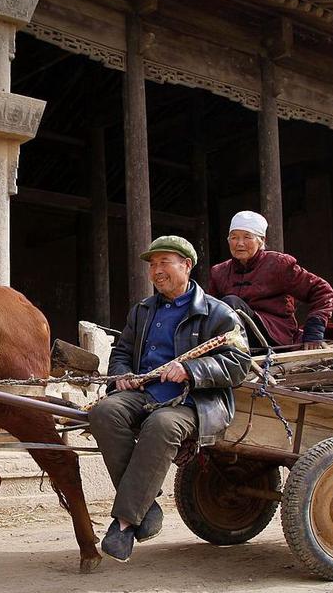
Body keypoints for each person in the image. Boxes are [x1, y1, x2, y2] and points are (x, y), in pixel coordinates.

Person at [87, 236, 252, 562]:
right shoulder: (143, 311)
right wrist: (122, 374)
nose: (156, 270)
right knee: (104, 412)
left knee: (161, 426)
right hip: (143, 392)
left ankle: (124, 524)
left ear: (186, 266)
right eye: (152, 264)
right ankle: (145, 507)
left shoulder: (218, 314)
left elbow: (238, 364)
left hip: (194, 402)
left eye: (164, 262)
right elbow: (121, 352)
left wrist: (191, 369)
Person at [208, 211, 333, 351]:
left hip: (275, 336)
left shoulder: (278, 264)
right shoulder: (219, 272)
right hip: (233, 339)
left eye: (247, 237)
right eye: (234, 237)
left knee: (232, 303)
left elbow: (322, 290)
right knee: (220, 307)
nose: (240, 243)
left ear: (261, 240)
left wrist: (314, 330)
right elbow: (209, 310)